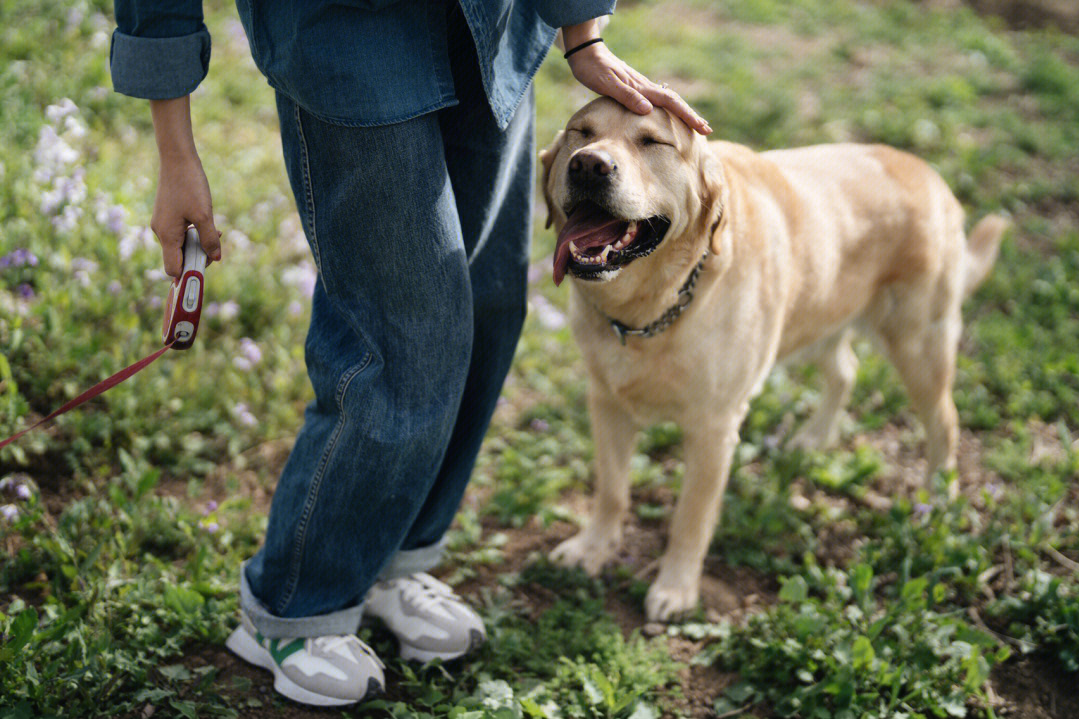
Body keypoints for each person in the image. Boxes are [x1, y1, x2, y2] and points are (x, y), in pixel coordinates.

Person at [110, 0, 710, 706]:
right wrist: (175, 150)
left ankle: (395, 557)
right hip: (347, 39)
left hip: (494, 30)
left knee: (488, 308)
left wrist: (583, 35)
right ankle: (295, 604)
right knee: (403, 338)